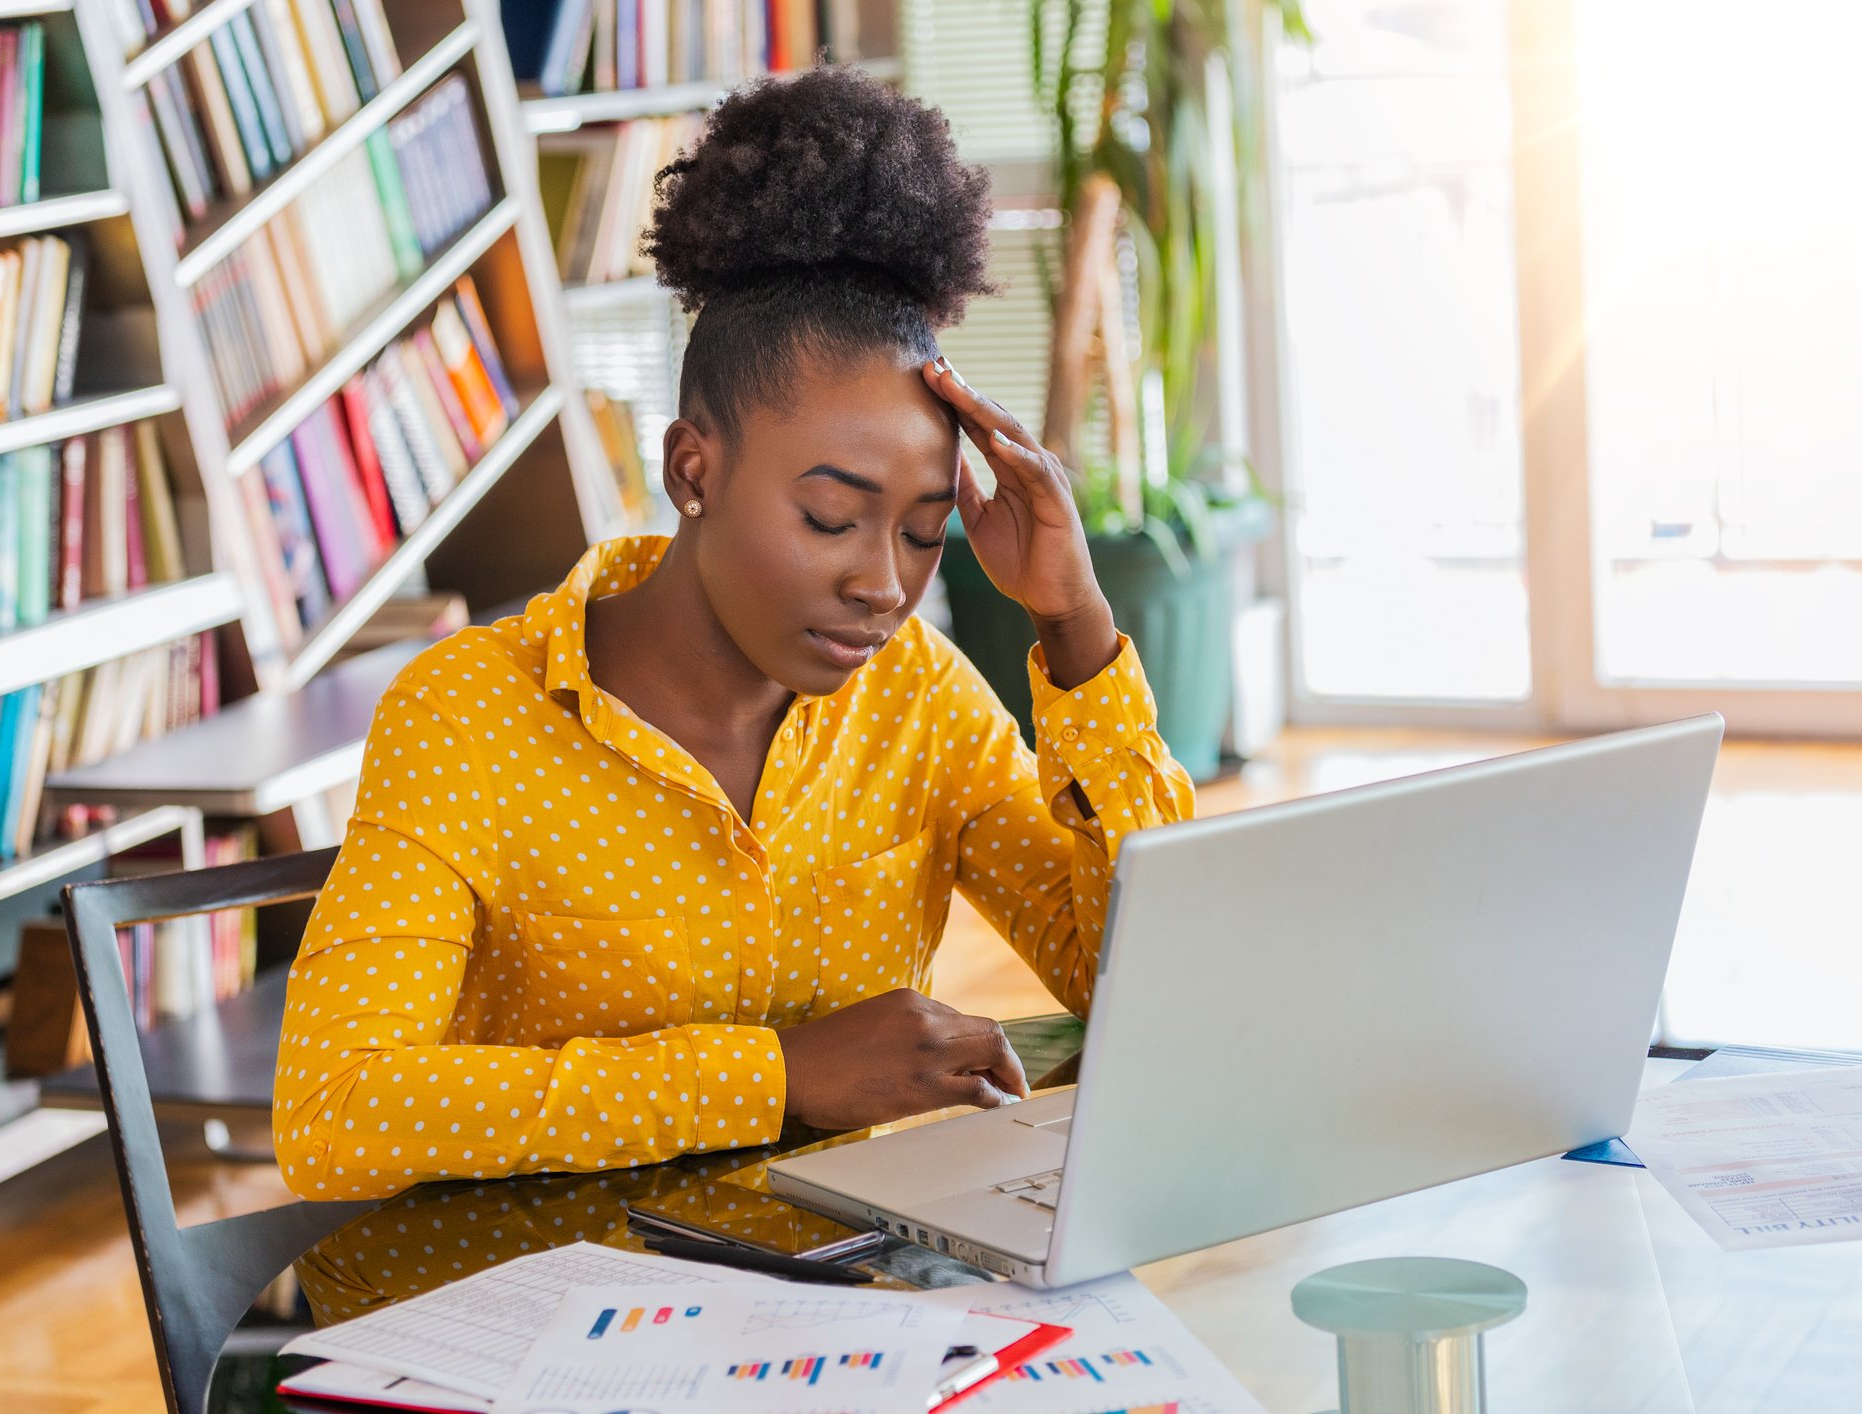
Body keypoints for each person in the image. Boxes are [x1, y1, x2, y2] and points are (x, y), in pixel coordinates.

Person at [271, 67, 1194, 1201]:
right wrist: (779, 1075)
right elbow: (335, 1111)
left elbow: (1138, 985)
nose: (882, 586)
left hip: (845, 1297)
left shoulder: (917, 699)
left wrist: (1077, 623)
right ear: (690, 469)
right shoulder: (472, 713)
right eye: (828, 517)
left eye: (920, 532)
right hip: (545, 1312)